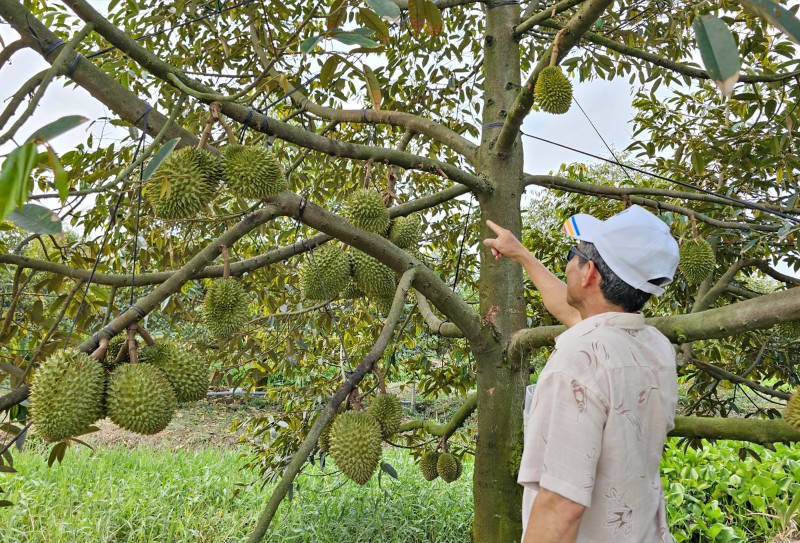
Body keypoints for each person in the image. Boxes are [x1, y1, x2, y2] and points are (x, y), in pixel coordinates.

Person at [483, 205, 680, 543]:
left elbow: (562, 506)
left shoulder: (578, 360)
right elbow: (576, 314)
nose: (568, 262)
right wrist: (522, 255)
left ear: (589, 273)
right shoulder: (654, 347)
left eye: (574, 254)